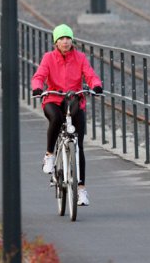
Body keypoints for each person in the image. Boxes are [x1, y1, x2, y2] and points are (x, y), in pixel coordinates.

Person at [31, 24, 103, 206]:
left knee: (78, 145)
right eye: (61, 38)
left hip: (73, 99)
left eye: (68, 38)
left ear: (72, 41)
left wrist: (96, 85)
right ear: (56, 42)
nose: (65, 41)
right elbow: (39, 76)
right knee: (55, 119)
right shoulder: (48, 58)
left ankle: (81, 190)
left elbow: (90, 75)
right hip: (53, 99)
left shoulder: (80, 58)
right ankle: (49, 155)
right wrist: (37, 88)